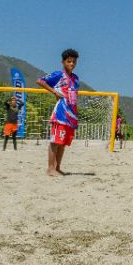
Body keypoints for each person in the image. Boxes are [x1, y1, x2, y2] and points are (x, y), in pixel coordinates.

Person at [37, 48, 80, 177]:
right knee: (55, 141)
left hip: (71, 114)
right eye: (69, 61)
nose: (71, 64)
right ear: (63, 62)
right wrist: (54, 92)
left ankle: (57, 167)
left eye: (74, 62)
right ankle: (50, 168)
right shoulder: (59, 74)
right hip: (60, 113)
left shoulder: (76, 79)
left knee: (63, 143)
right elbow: (40, 81)